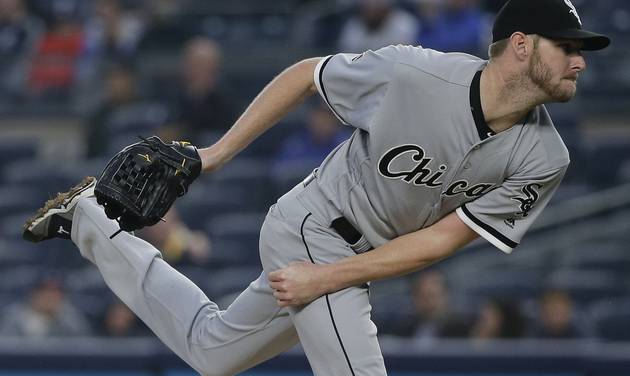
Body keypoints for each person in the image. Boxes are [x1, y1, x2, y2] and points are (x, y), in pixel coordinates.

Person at [23, 0, 610, 374]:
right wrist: (216, 154)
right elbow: (309, 74)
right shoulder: (416, 74)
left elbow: (438, 245)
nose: (580, 63)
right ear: (523, 44)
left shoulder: (544, 156)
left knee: (212, 351)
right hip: (313, 226)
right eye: (569, 47)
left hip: (346, 264)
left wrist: (325, 280)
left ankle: (92, 222)